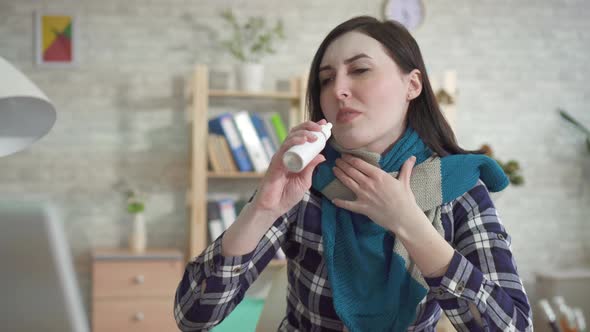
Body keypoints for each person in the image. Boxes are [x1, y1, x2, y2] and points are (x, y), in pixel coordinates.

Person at [174, 16, 532, 332]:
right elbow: (193, 316)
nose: (338, 90)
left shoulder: (459, 188)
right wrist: (262, 210)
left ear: (413, 85)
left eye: (359, 70)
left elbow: (513, 326)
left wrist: (409, 222)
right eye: (326, 79)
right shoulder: (306, 181)